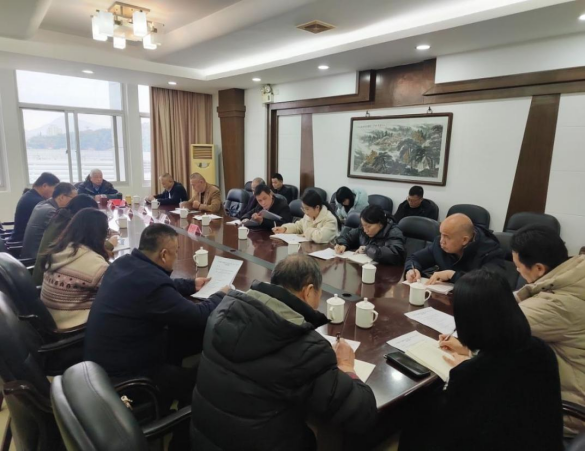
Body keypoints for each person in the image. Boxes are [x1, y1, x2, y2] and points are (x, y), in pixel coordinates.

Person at [191, 255, 377, 451]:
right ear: (309, 291)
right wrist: (346, 366)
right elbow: (362, 413)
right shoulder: (303, 349)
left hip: (203, 440)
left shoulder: (224, 310)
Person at [399, 269, 563, 451]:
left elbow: (450, 430)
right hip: (542, 442)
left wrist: (464, 369)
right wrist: (472, 354)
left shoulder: (472, 374)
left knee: (414, 420)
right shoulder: (541, 350)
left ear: (469, 323)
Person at [84, 224, 226, 405]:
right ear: (164, 254)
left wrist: (191, 285)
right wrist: (222, 295)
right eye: (176, 252)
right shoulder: (152, 284)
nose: (176, 257)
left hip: (104, 363)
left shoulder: (123, 263)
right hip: (127, 378)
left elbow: (158, 284)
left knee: (186, 334)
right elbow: (198, 315)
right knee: (204, 378)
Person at [510, 225, 585, 436]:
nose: (517, 271)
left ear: (539, 269)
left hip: (569, 407)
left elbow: (495, 329)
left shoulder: (557, 305)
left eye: (518, 266)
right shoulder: (576, 272)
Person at [40, 209, 110, 329]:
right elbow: (118, 293)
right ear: (100, 234)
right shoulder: (95, 265)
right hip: (75, 329)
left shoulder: (59, 251)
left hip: (50, 323)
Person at [32, 195, 119, 285]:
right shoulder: (65, 226)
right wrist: (109, 244)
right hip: (45, 279)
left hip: (48, 277)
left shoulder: (61, 218)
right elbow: (88, 251)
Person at [405, 213, 506, 285]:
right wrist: (412, 269)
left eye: (447, 237)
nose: (441, 241)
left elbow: (491, 283)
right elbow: (414, 258)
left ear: (464, 240)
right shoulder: (439, 244)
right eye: (441, 234)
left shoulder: (490, 251)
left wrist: (452, 275)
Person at [21, 182, 77, 259]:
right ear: (62, 197)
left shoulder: (42, 204)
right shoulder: (52, 212)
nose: (75, 202)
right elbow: (66, 235)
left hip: (30, 253)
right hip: (37, 258)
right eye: (74, 199)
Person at [334, 204, 405, 265]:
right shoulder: (362, 229)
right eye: (363, 225)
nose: (365, 230)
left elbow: (396, 255)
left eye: (368, 226)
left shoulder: (393, 232)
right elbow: (347, 237)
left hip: (386, 272)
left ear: (380, 223)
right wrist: (343, 245)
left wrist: (367, 249)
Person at [272, 189, 339, 243]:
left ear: (317, 207)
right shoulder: (308, 215)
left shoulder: (330, 219)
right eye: (303, 208)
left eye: (307, 209)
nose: (305, 212)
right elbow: (298, 226)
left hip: (324, 252)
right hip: (309, 249)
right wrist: (284, 229)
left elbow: (321, 237)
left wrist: (306, 232)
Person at [10, 172, 60, 242]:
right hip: (23, 241)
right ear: (45, 186)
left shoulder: (30, 195)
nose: (55, 193)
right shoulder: (38, 202)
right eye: (54, 189)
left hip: (22, 239)